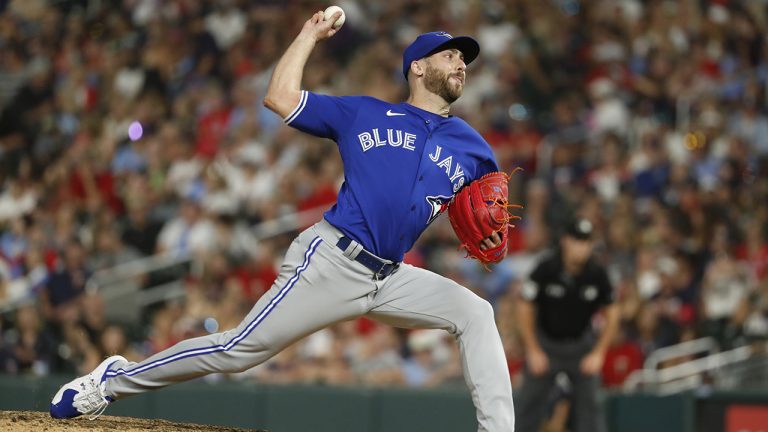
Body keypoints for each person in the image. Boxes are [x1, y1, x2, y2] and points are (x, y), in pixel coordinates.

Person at [50, 10, 515, 431]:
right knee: (238, 351)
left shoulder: (473, 145)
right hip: (332, 261)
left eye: (463, 58)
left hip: (391, 275)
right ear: (417, 67)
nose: (461, 64)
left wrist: (491, 230)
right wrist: (309, 35)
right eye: (449, 54)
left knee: (475, 312)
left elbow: (485, 209)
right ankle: (113, 380)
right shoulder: (365, 112)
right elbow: (279, 97)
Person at [514, 218, 619, 432]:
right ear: (565, 241)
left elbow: (613, 312)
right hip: (546, 344)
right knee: (528, 408)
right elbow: (524, 307)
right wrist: (533, 349)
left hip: (581, 346)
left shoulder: (597, 273)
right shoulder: (546, 268)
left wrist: (599, 352)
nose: (581, 247)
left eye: (586, 242)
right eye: (577, 241)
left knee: (590, 409)